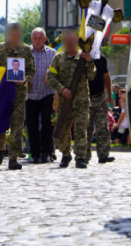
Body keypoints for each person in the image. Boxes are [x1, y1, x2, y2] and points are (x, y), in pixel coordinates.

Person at [0, 23, 36, 170]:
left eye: (17, 33)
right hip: (2, 94)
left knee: (17, 127)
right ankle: (1, 148)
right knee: (0, 124)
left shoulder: (26, 50)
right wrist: (3, 75)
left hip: (20, 95)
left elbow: (31, 70)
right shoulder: (0, 49)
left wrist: (25, 78)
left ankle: (13, 158)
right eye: (12, 33)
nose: (15, 36)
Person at [47, 30, 96, 169]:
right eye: (66, 41)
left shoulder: (84, 57)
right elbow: (51, 77)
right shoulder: (58, 58)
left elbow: (91, 76)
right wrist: (62, 89)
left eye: (72, 41)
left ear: (76, 42)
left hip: (81, 100)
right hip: (64, 100)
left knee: (81, 128)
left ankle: (80, 157)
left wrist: (89, 61)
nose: (69, 43)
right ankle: (65, 154)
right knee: (63, 128)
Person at [26, 27, 56, 164]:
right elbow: (16, 70)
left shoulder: (52, 53)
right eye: (35, 38)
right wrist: (25, 80)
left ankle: (47, 152)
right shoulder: (25, 53)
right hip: (30, 94)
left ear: (45, 39)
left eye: (40, 38)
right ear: (31, 39)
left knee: (46, 124)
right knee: (31, 125)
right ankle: (35, 152)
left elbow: (57, 72)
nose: (38, 41)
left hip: (46, 92)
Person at [86, 55, 115, 164]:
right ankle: (84, 156)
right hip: (85, 98)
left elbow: (106, 76)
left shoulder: (101, 59)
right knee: (86, 129)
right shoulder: (80, 59)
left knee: (103, 127)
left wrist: (109, 95)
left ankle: (103, 155)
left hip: (100, 98)